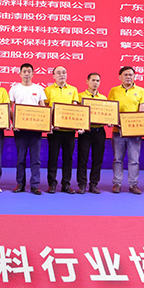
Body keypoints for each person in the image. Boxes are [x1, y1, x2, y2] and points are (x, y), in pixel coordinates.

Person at [107, 66, 144, 194]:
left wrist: (143, 126)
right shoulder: (114, 90)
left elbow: (142, 110)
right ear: (120, 77)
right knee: (117, 159)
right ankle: (117, 183)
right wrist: (111, 120)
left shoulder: (141, 91)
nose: (128, 77)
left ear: (134, 77)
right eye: (125, 74)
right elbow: (110, 109)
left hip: (134, 131)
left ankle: (133, 184)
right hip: (117, 130)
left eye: (131, 75)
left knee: (134, 160)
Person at [9, 63, 47, 195]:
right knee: (21, 159)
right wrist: (14, 122)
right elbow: (9, 108)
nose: (26, 74)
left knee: (36, 159)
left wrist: (44, 124)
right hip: (20, 130)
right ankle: (20, 184)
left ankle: (35, 185)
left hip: (35, 130)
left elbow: (42, 107)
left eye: (29, 71)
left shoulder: (39, 88)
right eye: (24, 71)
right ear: (20, 73)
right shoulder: (14, 88)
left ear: (33, 73)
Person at [44, 65, 80, 194]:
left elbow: (75, 108)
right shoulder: (48, 90)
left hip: (69, 131)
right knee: (53, 157)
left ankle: (66, 184)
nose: (62, 75)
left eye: (64, 72)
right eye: (58, 73)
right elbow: (45, 109)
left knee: (68, 158)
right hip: (54, 130)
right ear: (53, 75)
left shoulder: (73, 90)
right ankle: (52, 183)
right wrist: (49, 124)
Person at [77, 72, 106, 194]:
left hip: (99, 131)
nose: (95, 83)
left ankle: (94, 184)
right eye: (93, 80)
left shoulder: (103, 98)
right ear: (87, 81)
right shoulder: (80, 96)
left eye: (97, 81)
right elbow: (77, 113)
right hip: (85, 132)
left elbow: (107, 115)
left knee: (97, 159)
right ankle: (82, 184)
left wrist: (110, 121)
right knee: (82, 159)